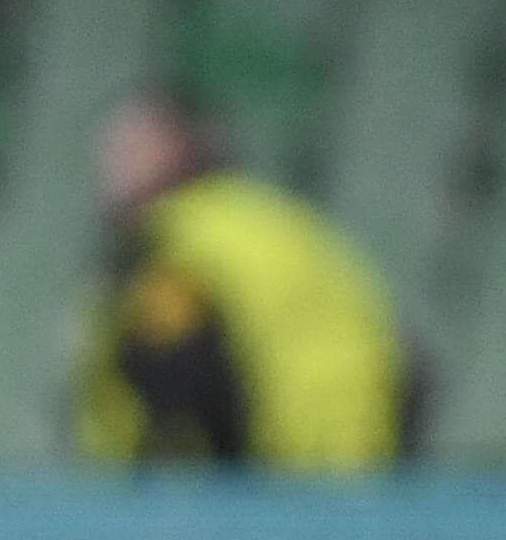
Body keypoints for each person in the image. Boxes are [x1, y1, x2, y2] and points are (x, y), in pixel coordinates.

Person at [72, 88, 413, 471]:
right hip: (355, 463)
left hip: (265, 486)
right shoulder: (276, 219)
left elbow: (176, 374)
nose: (111, 168)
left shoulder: (174, 243)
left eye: (130, 148)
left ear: (179, 148)